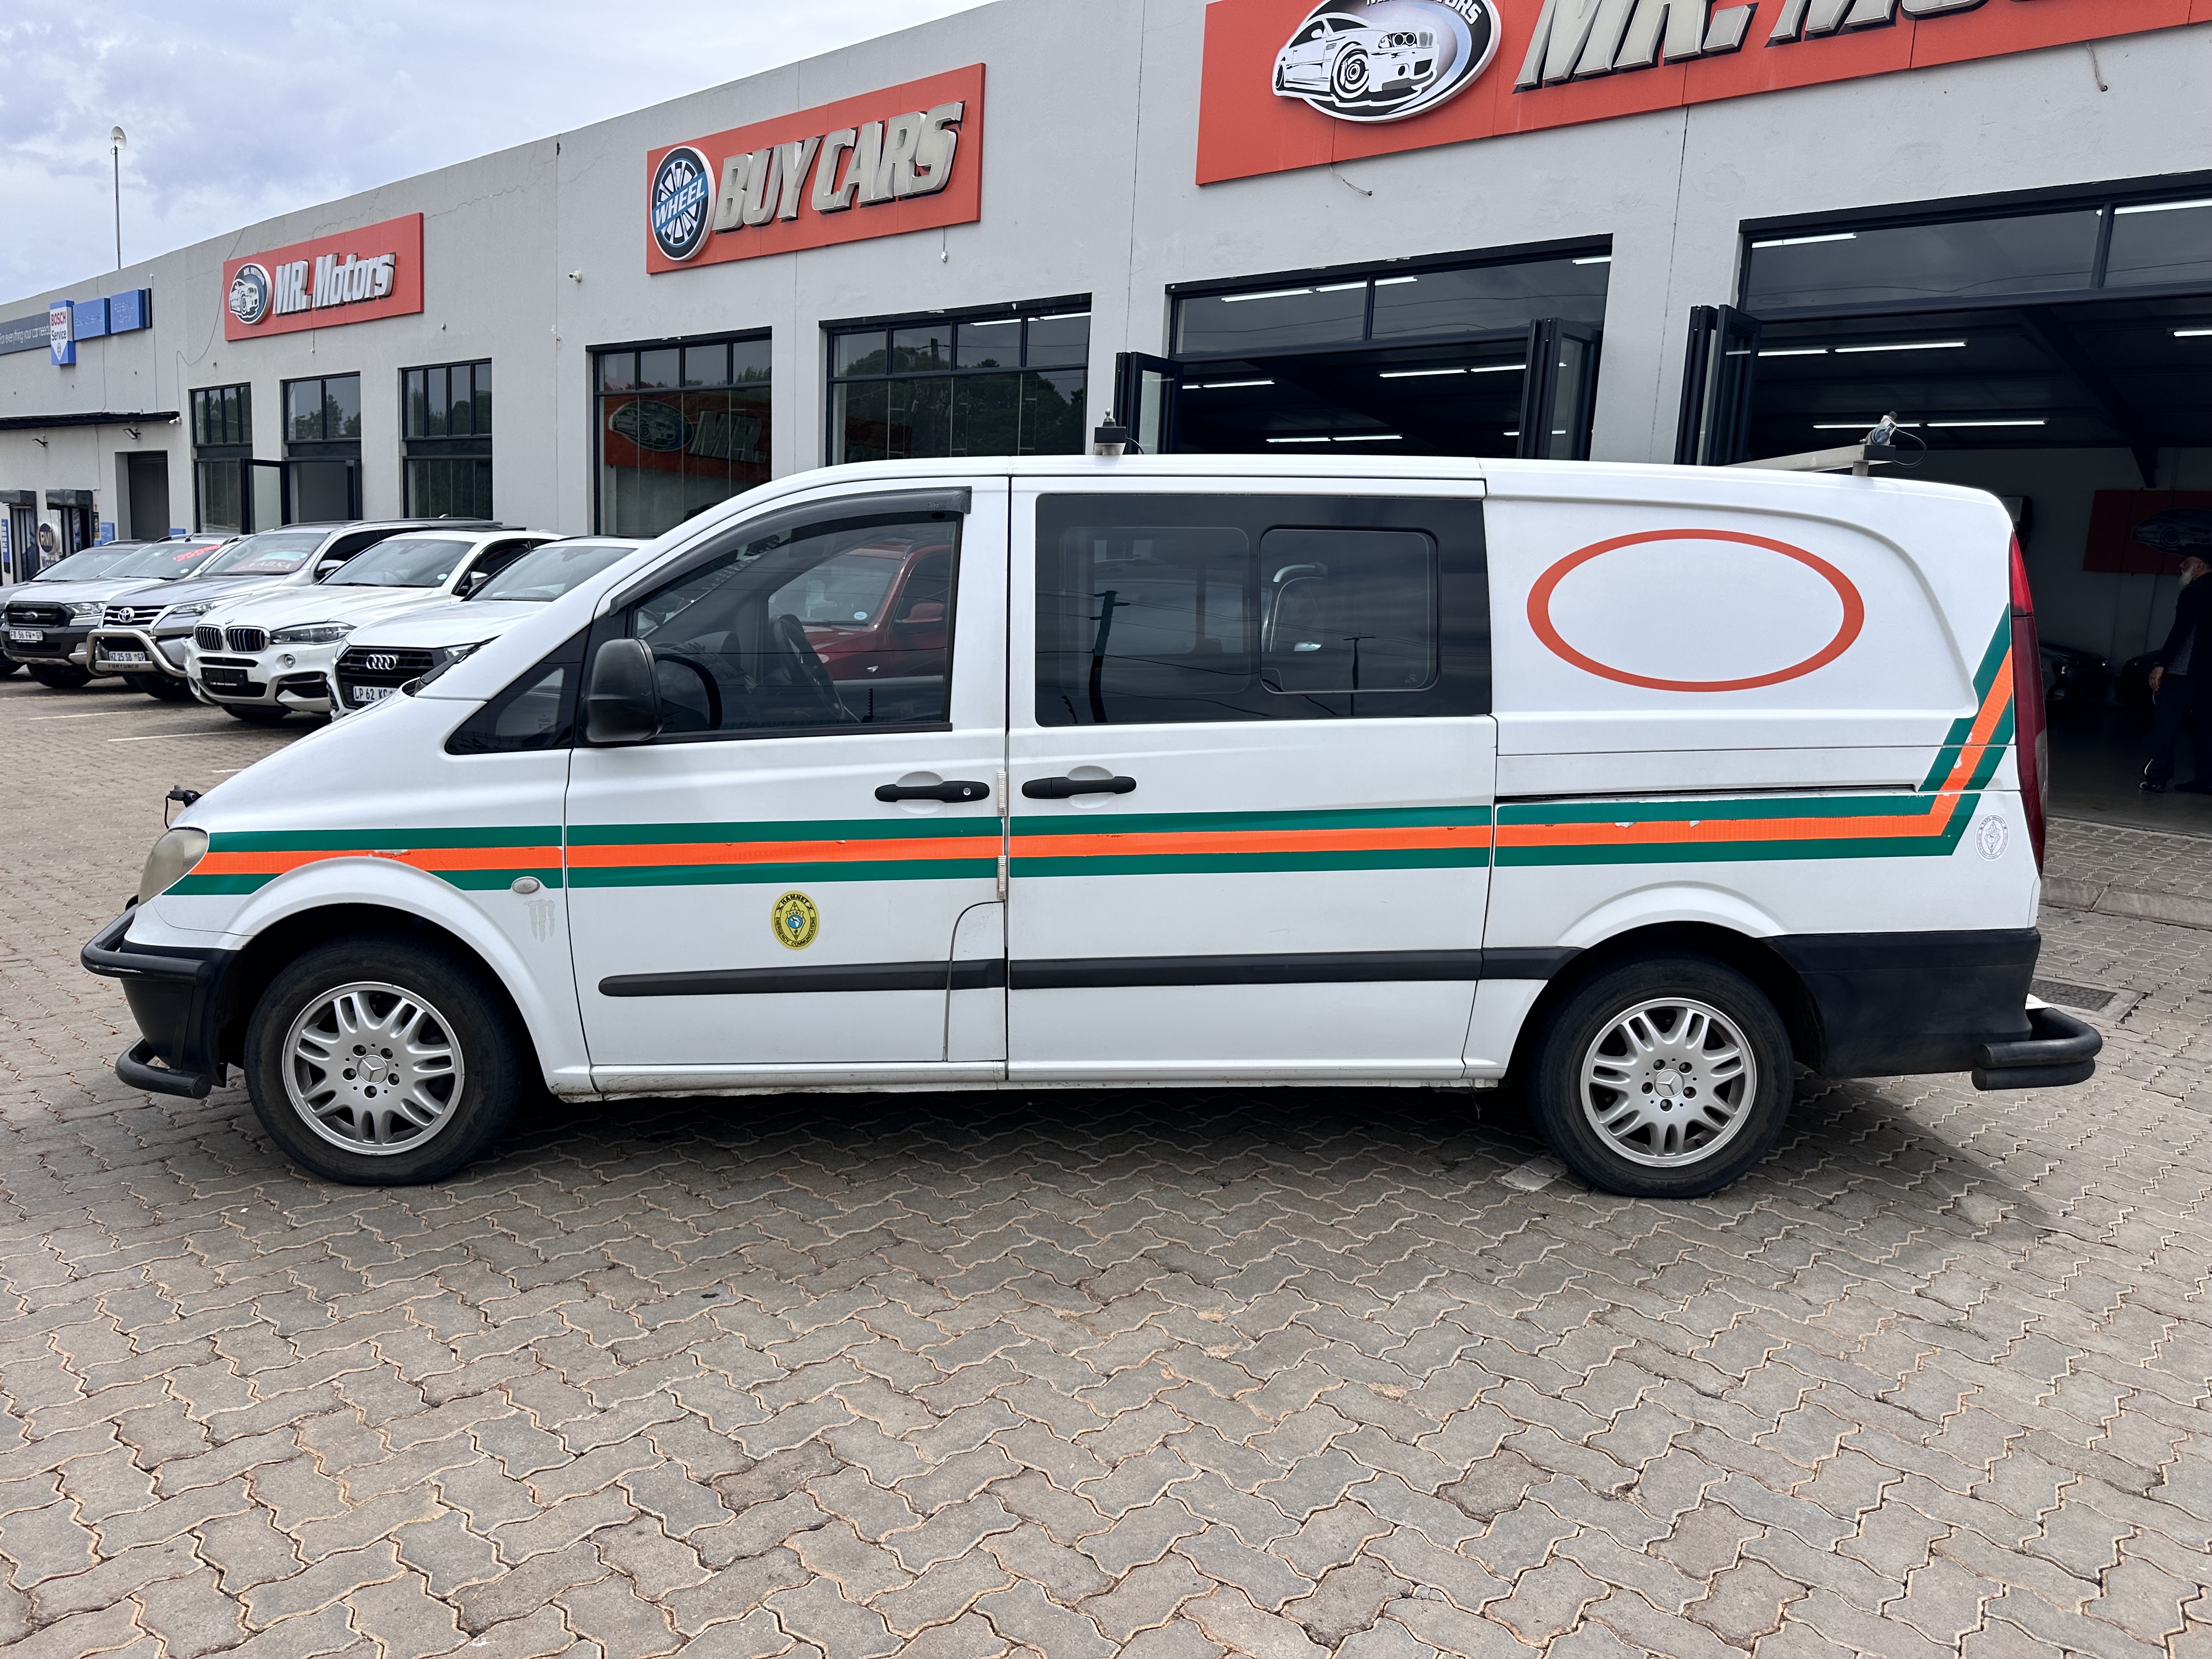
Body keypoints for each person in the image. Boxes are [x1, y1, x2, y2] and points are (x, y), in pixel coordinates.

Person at [2143, 552, 2212, 793]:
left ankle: (2158, 778)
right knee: (2206, 727)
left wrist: (2162, 663)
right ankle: (2206, 780)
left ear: (2201, 565)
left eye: (2187, 562)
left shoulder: (2194, 591)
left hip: (2186, 670)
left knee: (2166, 722)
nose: (2181, 566)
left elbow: (2181, 630)